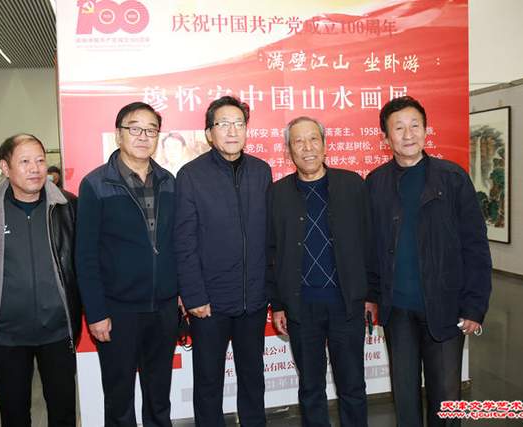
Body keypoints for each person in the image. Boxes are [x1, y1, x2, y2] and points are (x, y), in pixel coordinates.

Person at [366, 96, 492, 426]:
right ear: (386, 137)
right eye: (399, 128)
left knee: (447, 399)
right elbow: (371, 247)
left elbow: (476, 246)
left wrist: (474, 306)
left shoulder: (452, 178)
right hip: (398, 311)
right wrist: (372, 295)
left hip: (446, 307)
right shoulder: (376, 183)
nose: (408, 134)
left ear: (426, 130)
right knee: (405, 397)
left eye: (415, 125)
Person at [0, 133, 81, 427]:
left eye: (40, 160)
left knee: (63, 412)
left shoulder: (67, 206)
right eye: (25, 161)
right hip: (7, 334)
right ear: (5, 167)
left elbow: (79, 260)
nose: (35, 169)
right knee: (14, 414)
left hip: (57, 331)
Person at [76, 102, 179, 427]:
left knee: (159, 395)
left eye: (151, 130)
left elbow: (177, 243)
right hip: (118, 310)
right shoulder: (95, 184)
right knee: (119, 398)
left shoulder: (169, 181)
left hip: (163, 308)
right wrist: (96, 312)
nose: (143, 136)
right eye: (135, 128)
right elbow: (85, 255)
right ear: (119, 134)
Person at [266, 117, 374, 427]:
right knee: (311, 388)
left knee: (352, 386)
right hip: (302, 307)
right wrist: (278, 304)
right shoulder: (277, 193)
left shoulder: (352, 185)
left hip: (346, 305)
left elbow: (369, 242)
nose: (307, 147)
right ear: (289, 150)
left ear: (325, 144)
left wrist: (371, 294)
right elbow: (271, 251)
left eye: (313, 139)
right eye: (298, 141)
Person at [174, 96, 272, 427]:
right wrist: (194, 296)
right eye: (223, 124)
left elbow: (269, 237)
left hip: (253, 300)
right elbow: (184, 241)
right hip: (209, 303)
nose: (232, 131)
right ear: (209, 133)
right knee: (208, 382)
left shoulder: (261, 171)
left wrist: (268, 289)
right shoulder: (191, 175)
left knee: (253, 378)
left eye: (239, 124)